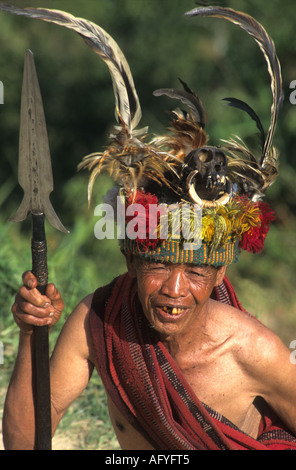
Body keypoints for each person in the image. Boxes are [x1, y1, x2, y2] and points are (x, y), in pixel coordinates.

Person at [1, 5, 296, 450]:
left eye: (195, 272)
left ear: (219, 275)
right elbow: (24, 443)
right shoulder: (98, 321)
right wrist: (29, 335)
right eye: (158, 264)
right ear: (131, 259)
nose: (173, 289)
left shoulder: (254, 352)